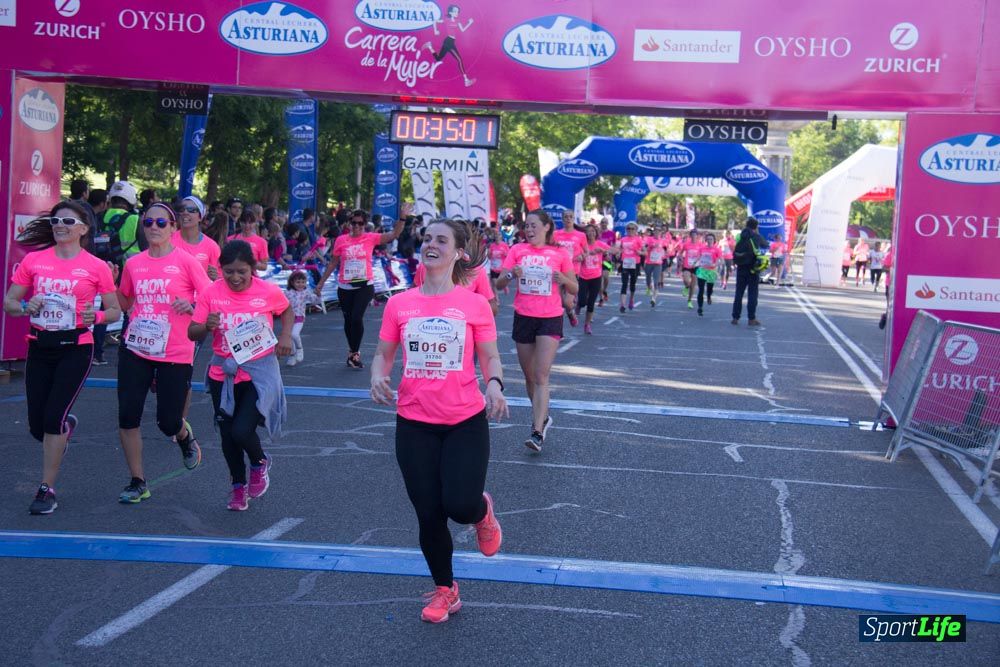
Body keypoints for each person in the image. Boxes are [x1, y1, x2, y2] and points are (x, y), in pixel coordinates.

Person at [370, 219, 507, 623]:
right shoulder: (400, 304)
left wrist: (494, 385)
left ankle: (481, 512)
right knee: (428, 513)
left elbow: (490, 356)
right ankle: (445, 590)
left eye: (441, 240)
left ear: (458, 253)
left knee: (460, 505)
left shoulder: (474, 305)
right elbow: (383, 354)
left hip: (465, 420)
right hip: (414, 422)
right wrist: (378, 375)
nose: (430, 244)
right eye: (427, 238)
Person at [3, 201, 121, 514]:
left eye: (68, 221)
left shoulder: (96, 266)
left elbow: (114, 309)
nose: (59, 225)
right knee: (37, 427)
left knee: (52, 419)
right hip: (40, 345)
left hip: (76, 347)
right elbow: (9, 303)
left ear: (83, 228)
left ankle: (46, 489)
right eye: (55, 220)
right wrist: (25, 306)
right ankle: (65, 425)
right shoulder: (34, 260)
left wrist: (96, 316)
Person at [115, 203, 212, 504]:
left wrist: (192, 306)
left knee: (168, 421)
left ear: (173, 228)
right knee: (128, 415)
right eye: (148, 223)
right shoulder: (134, 264)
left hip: (174, 350)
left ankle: (183, 435)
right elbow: (124, 302)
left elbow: (211, 297)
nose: (154, 227)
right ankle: (137, 481)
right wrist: (112, 280)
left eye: (161, 223)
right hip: (136, 347)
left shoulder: (186, 261)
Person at [188, 241, 293, 511]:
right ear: (221, 269)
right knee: (227, 436)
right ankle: (238, 487)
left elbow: (286, 310)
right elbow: (192, 332)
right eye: (229, 272)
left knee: (241, 430)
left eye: (242, 272)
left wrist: (285, 336)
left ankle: (259, 462)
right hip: (224, 373)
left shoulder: (267, 291)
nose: (235, 277)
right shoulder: (211, 292)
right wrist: (206, 325)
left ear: (252, 270)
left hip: (259, 372)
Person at [495, 210, 576, 452]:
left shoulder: (560, 253)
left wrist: (563, 279)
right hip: (524, 317)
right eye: (526, 226)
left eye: (533, 225)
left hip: (550, 318)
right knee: (530, 377)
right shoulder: (517, 250)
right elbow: (499, 282)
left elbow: (574, 287)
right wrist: (512, 274)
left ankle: (537, 430)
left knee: (541, 375)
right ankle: (543, 416)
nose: (529, 230)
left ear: (546, 227)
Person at [314, 210, 403, 369]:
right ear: (349, 223)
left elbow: (394, 234)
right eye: (353, 223)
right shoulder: (341, 240)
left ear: (365, 224)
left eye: (360, 223)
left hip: (364, 285)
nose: (356, 226)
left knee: (356, 317)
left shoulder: (370, 237)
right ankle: (352, 352)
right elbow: (333, 262)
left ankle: (355, 352)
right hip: (345, 286)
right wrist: (321, 283)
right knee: (348, 321)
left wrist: (402, 217)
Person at [91, 180, 142, 365]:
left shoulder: (100, 216)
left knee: (104, 311)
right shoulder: (135, 219)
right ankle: (126, 350)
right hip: (129, 272)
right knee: (130, 311)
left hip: (105, 269)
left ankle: (97, 353)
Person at [422, 4, 476, 87]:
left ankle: (429, 46)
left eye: (457, 11)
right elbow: (435, 21)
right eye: (455, 11)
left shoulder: (457, 21)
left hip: (451, 41)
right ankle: (466, 80)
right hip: (448, 41)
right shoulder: (446, 20)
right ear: (450, 12)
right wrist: (435, 30)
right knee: (459, 60)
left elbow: (462, 30)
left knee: (438, 58)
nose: (457, 13)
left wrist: (469, 23)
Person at [173, 195, 221, 281]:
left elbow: (220, 279)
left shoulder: (211, 246)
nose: (185, 212)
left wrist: (215, 278)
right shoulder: (167, 240)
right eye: (182, 209)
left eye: (191, 210)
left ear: (200, 217)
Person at [552, 210, 586, 327]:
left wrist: (582, 256)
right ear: (562, 219)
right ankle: (558, 328)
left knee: (567, 302)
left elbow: (586, 251)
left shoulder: (581, 235)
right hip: (558, 270)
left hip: (572, 271)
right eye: (566, 217)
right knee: (558, 302)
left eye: (571, 216)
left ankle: (570, 312)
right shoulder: (556, 234)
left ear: (573, 218)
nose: (568, 219)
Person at [731, 218, 767, 327]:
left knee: (739, 293)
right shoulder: (756, 236)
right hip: (753, 269)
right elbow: (765, 245)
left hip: (741, 267)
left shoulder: (740, 236)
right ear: (756, 227)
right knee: (752, 294)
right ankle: (751, 318)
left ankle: (735, 317)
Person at [577, 224, 611, 334]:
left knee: (591, 302)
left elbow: (610, 253)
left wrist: (604, 252)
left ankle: (587, 324)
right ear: (585, 234)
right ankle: (579, 304)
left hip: (596, 277)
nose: (591, 233)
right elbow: (577, 258)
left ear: (596, 233)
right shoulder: (582, 245)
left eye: (593, 231)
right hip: (583, 276)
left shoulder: (600, 244)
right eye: (588, 231)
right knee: (582, 301)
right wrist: (586, 254)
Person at [285, 270, 322, 366]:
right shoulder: (287, 292)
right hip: (288, 318)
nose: (301, 284)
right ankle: (292, 355)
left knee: (294, 334)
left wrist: (318, 295)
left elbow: (315, 301)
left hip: (299, 317)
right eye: (298, 282)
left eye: (303, 282)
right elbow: (280, 302)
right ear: (292, 282)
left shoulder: (306, 292)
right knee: (289, 337)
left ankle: (299, 349)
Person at [616, 222, 645, 313]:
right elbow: (620, 249)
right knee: (624, 283)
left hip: (635, 264)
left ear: (636, 230)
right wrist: (618, 254)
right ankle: (623, 305)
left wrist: (640, 253)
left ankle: (631, 299)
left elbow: (645, 252)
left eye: (633, 229)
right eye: (628, 228)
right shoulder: (623, 239)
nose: (630, 230)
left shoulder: (638, 239)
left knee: (632, 283)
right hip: (625, 263)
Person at [695, 233, 722, 316]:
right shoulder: (702, 248)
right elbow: (698, 257)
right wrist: (694, 263)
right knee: (701, 289)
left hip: (711, 271)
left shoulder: (717, 249)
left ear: (714, 241)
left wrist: (715, 264)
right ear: (706, 240)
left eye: (711, 239)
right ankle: (700, 307)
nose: (709, 240)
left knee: (709, 289)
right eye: (708, 239)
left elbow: (721, 260)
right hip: (702, 270)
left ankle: (709, 296)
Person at [679, 229, 704, 309]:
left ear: (697, 236)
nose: (693, 236)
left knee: (693, 286)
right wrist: (681, 259)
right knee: (686, 280)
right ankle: (686, 287)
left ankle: (689, 301)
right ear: (690, 236)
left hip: (696, 266)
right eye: (692, 235)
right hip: (687, 265)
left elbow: (702, 255)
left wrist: (697, 261)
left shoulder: (700, 245)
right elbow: (680, 253)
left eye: (695, 235)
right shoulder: (686, 244)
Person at [643, 226, 667, 307]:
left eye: (659, 231)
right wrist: (651, 247)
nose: (657, 232)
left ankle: (653, 299)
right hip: (649, 262)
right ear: (654, 232)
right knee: (648, 278)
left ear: (660, 232)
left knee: (656, 281)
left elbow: (665, 249)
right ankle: (648, 287)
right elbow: (645, 247)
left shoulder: (663, 240)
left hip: (658, 263)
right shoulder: (649, 239)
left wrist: (665, 255)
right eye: (656, 231)